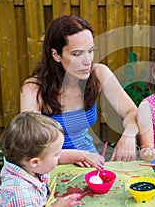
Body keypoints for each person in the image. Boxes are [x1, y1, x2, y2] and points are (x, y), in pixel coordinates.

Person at [20, 15, 138, 164]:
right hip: (47, 164)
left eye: (90, 51)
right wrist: (76, 156)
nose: (87, 61)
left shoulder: (99, 73)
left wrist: (129, 134)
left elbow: (131, 112)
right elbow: (32, 147)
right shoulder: (33, 88)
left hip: (88, 158)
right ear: (56, 55)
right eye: (77, 54)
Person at [0, 112, 95, 207]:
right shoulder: (21, 195)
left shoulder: (24, 164)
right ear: (35, 162)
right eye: (56, 154)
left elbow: (55, 159)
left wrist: (82, 155)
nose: (60, 156)